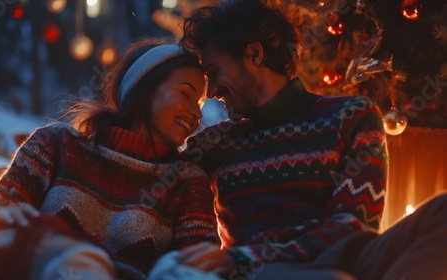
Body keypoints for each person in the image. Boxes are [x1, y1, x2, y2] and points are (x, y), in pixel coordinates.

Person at [172, 0, 447, 279]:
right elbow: (158, 183)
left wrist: (241, 257)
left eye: (215, 73)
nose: (213, 91)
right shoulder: (211, 145)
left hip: (342, 261)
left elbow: (352, 228)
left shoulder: (350, 117)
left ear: (254, 53)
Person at [0, 40, 218, 280]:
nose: (196, 112)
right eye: (186, 94)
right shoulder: (56, 144)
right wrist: (58, 249)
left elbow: (196, 264)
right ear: (143, 88)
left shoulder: (187, 182)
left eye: (201, 104)